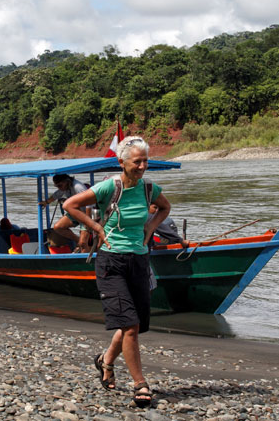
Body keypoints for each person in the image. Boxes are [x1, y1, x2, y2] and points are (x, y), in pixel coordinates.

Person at [63, 136, 171, 408]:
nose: (143, 166)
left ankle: (105, 361)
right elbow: (70, 206)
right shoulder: (109, 187)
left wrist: (150, 228)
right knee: (130, 325)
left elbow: (165, 208)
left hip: (139, 261)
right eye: (137, 161)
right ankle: (140, 384)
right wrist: (96, 228)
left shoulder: (149, 188)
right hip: (111, 262)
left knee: (134, 324)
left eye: (146, 160)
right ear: (122, 162)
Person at [39, 174, 92, 252]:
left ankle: (85, 257)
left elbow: (89, 203)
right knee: (58, 227)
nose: (59, 188)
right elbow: (56, 195)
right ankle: (78, 240)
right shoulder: (64, 188)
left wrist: (88, 220)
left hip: (86, 214)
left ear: (67, 181)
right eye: (57, 186)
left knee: (83, 244)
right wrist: (46, 202)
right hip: (75, 212)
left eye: (60, 185)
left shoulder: (78, 187)